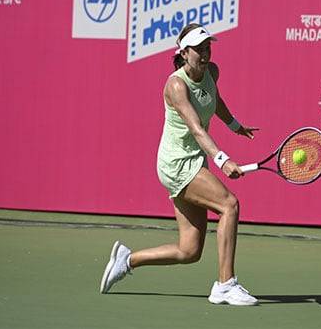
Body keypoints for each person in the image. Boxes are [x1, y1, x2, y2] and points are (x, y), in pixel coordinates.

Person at [99, 23, 260, 306]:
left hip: (194, 160)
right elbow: (197, 128)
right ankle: (225, 284)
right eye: (198, 48)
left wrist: (235, 125)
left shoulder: (212, 71)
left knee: (189, 250)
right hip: (176, 164)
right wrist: (222, 160)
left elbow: (214, 99)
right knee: (229, 205)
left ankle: (128, 260)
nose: (205, 52)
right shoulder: (175, 85)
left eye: (207, 46)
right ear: (184, 53)